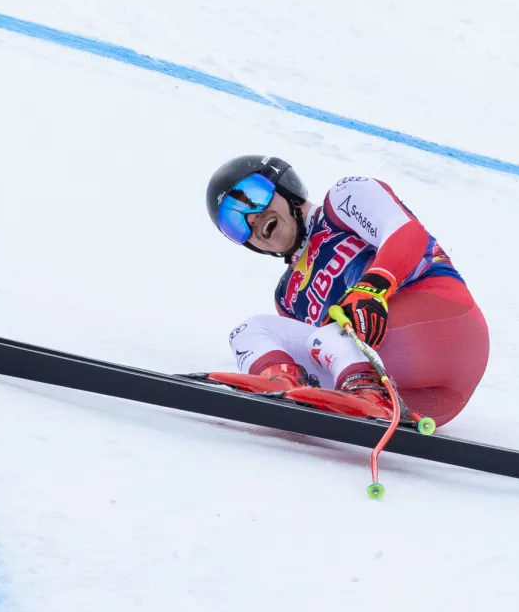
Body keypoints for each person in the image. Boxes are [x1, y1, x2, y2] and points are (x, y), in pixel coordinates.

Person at [203, 155, 489, 429]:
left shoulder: (342, 200)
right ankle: (280, 385)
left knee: (332, 331)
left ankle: (367, 392)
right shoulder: (287, 295)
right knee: (250, 331)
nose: (250, 219)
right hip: (411, 392)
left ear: (284, 185)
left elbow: (406, 233)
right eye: (234, 224)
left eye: (252, 196)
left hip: (446, 327)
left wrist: (372, 289)